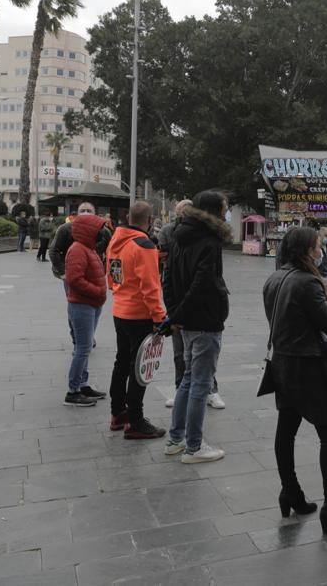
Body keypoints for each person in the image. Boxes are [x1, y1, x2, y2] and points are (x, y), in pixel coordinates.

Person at [263, 227, 327, 535]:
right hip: (308, 367)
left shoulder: (274, 278)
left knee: (286, 430)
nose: (322, 250)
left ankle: (290, 491)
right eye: (318, 246)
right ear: (307, 250)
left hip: (282, 362)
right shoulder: (307, 283)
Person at [164, 191, 233, 462]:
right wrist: (178, 314)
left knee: (189, 379)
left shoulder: (179, 234)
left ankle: (175, 438)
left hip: (186, 318)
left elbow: (167, 278)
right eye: (225, 209)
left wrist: (175, 314)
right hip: (205, 319)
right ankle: (194, 446)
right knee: (200, 383)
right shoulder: (209, 240)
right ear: (215, 210)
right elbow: (203, 283)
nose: (226, 213)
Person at [106, 201, 166, 437]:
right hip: (139, 315)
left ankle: (117, 413)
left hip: (119, 310)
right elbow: (151, 288)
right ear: (149, 221)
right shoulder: (144, 245)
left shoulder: (116, 240)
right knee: (139, 368)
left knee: (121, 363)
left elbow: (111, 275)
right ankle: (136, 421)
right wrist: (159, 318)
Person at [158, 200, 225, 410]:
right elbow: (174, 277)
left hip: (190, 311)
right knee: (184, 358)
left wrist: (176, 314)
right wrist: (175, 313)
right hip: (192, 312)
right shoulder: (174, 235)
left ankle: (210, 391)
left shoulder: (207, 240)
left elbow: (205, 280)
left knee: (200, 364)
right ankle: (189, 432)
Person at [62, 213, 108, 407]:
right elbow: (75, 279)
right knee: (82, 348)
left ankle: (83, 384)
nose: (101, 233)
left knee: (85, 347)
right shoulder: (78, 250)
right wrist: (97, 291)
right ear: (89, 231)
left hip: (91, 304)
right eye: (98, 229)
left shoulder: (88, 248)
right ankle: (73, 391)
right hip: (83, 305)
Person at [50, 202, 112, 279]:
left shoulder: (104, 231)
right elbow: (53, 250)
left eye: (89, 211)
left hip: (94, 273)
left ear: (94, 214)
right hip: (71, 273)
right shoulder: (65, 229)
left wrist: (103, 269)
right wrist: (63, 271)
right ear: (78, 214)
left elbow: (111, 252)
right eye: (82, 211)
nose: (85, 213)